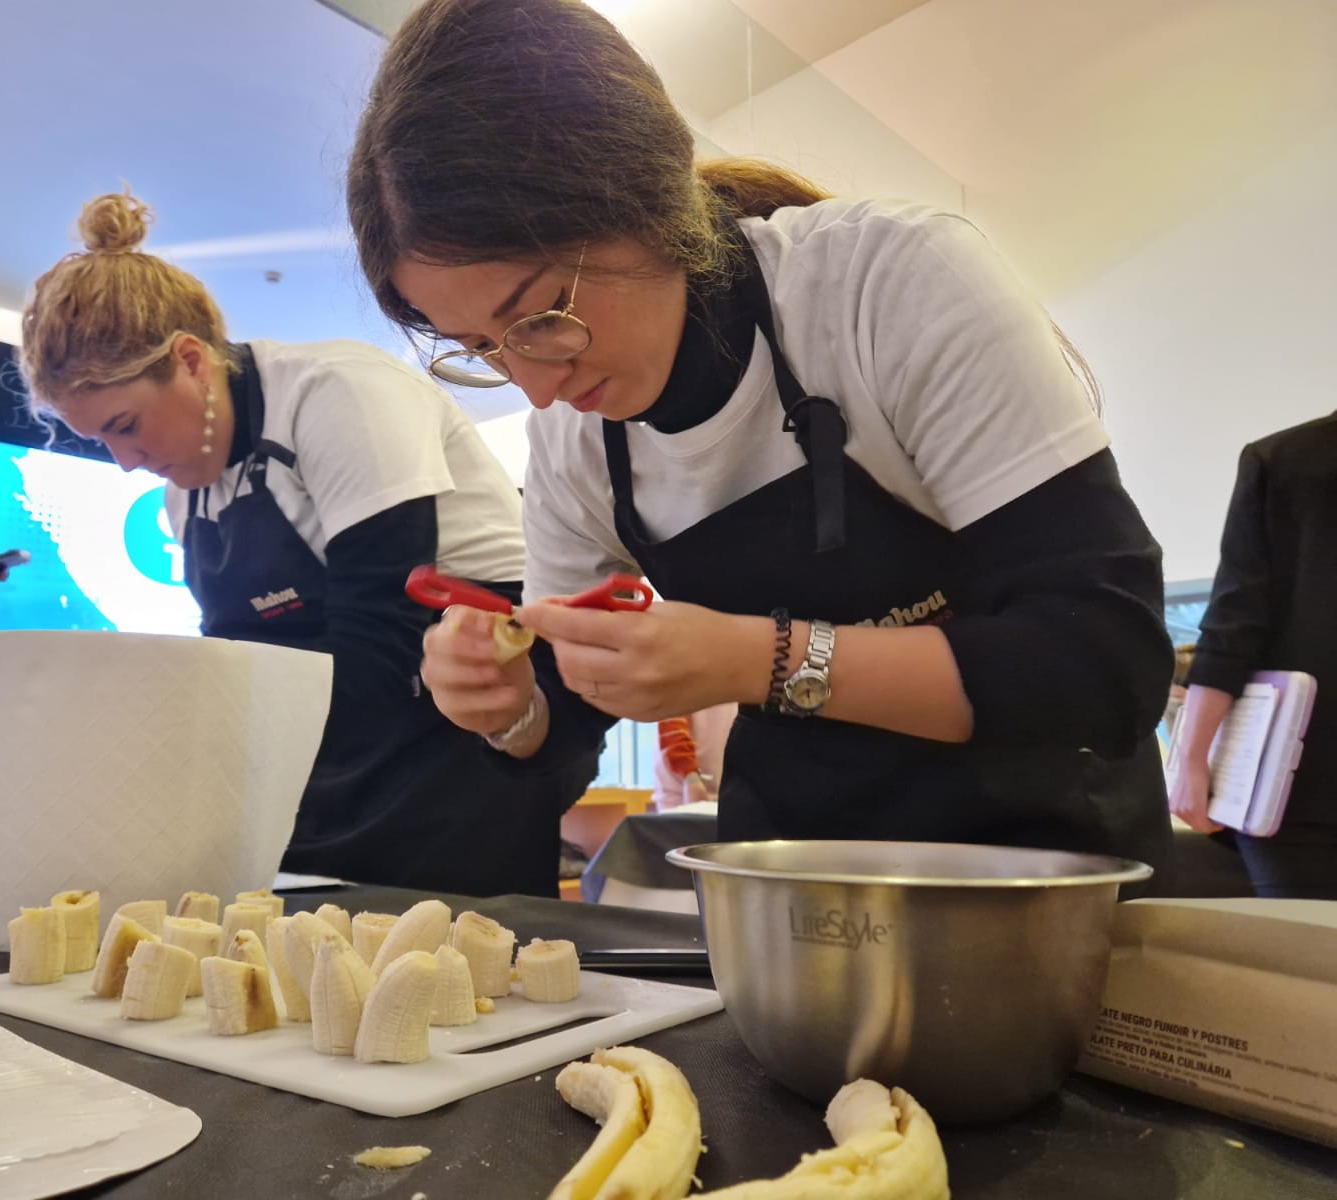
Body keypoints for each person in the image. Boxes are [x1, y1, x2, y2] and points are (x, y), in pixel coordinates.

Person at [346, 0, 1174, 872]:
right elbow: (565, 715)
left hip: (1039, 878)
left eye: (542, 316)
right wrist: (505, 703)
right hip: (789, 894)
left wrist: (761, 660)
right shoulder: (576, 445)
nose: (540, 391)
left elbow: (1102, 664)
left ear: (645, 198)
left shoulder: (883, 285)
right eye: (483, 350)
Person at [16, 191, 597, 897]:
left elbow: (380, 650)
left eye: (126, 424)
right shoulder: (184, 493)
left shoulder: (338, 394)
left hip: (459, 723)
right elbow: (233, 662)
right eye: (101, 441)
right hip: (332, 749)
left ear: (193, 362)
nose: (126, 461)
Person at [1168, 417, 1337, 898]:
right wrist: (1191, 760)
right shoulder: (1282, 462)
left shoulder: (1284, 460)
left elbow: (1233, 627)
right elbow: (1231, 629)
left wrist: (1192, 760)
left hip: (1296, 787)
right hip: (1295, 796)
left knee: (1303, 966)